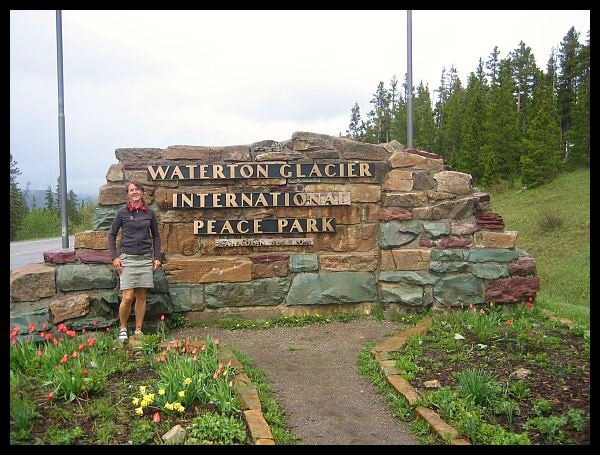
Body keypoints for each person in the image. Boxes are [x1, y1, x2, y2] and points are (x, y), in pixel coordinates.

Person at [108, 181, 161, 341]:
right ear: (128, 194)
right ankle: (123, 328)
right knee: (128, 296)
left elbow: (156, 235)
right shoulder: (122, 213)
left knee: (142, 296)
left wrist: (157, 257)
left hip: (145, 258)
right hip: (128, 258)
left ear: (142, 192)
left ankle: (138, 329)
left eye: (137, 189)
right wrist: (114, 257)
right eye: (131, 190)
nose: (135, 192)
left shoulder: (149, 213)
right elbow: (111, 234)